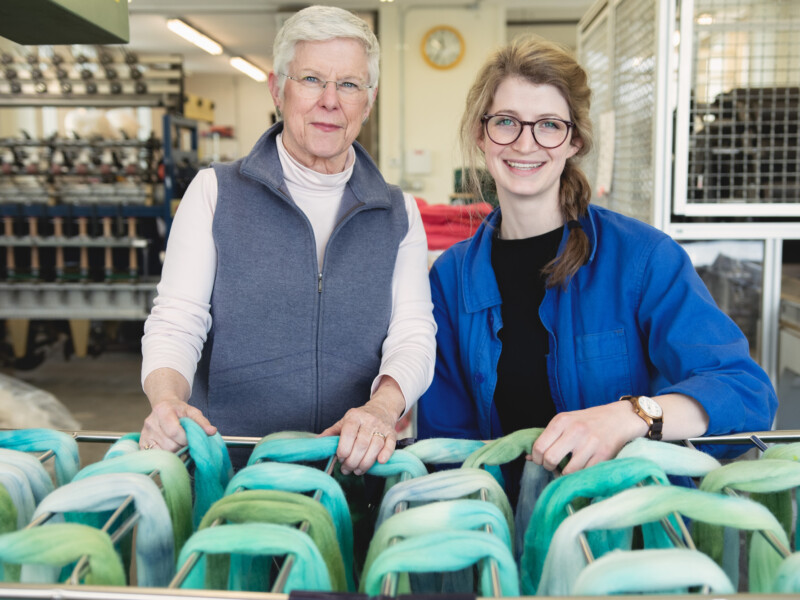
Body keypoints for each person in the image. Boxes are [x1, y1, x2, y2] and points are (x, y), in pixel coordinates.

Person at [416, 36, 777, 476]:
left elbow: (745, 391)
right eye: (507, 121)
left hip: (629, 525)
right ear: (481, 134)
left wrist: (630, 417)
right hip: (502, 525)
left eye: (549, 124)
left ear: (575, 142)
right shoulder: (452, 279)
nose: (526, 144)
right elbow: (447, 448)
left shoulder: (643, 259)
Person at [139, 5, 436, 473]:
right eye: (312, 79)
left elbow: (413, 333)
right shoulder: (216, 192)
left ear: (369, 100)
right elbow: (178, 320)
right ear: (278, 88)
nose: (330, 101)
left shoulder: (398, 213)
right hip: (231, 469)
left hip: (353, 469)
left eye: (349, 84)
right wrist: (167, 399)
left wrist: (382, 409)